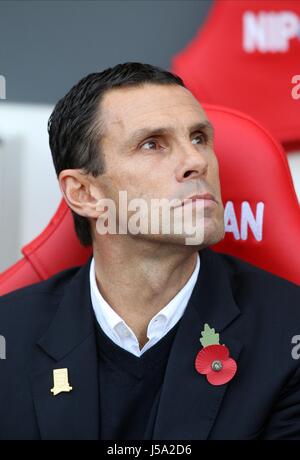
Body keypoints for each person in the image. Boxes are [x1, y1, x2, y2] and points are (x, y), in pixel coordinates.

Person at [0, 62, 300, 440]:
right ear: (84, 193)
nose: (197, 162)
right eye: (152, 144)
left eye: (199, 138)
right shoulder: (7, 337)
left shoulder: (289, 333)